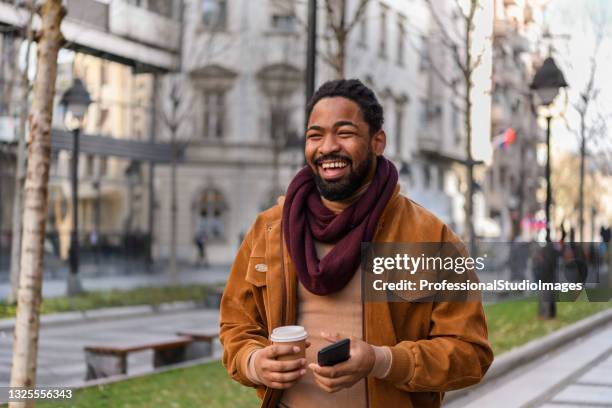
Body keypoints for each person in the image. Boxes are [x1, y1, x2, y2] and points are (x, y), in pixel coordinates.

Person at [219, 79, 493, 408]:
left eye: (344, 133)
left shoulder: (430, 237)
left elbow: (470, 353)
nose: (327, 147)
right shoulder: (268, 230)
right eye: (315, 135)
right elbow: (236, 326)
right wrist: (254, 363)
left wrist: (381, 361)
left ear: (378, 142)